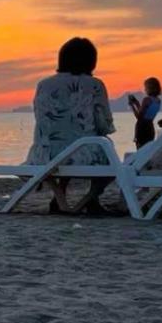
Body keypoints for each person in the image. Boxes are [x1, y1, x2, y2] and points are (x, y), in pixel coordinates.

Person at [26, 37, 115, 215]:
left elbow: (41, 119)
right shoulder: (94, 85)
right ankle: (90, 200)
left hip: (45, 155)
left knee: (67, 145)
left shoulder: (43, 84)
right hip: (83, 155)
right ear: (91, 61)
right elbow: (104, 124)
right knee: (108, 158)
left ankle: (59, 197)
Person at [129, 77, 162, 150]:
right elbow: (146, 113)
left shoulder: (146, 99)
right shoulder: (158, 101)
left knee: (140, 151)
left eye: (146, 87)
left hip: (142, 129)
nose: (145, 89)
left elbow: (139, 117)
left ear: (150, 88)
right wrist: (137, 103)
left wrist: (132, 106)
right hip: (150, 128)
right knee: (148, 150)